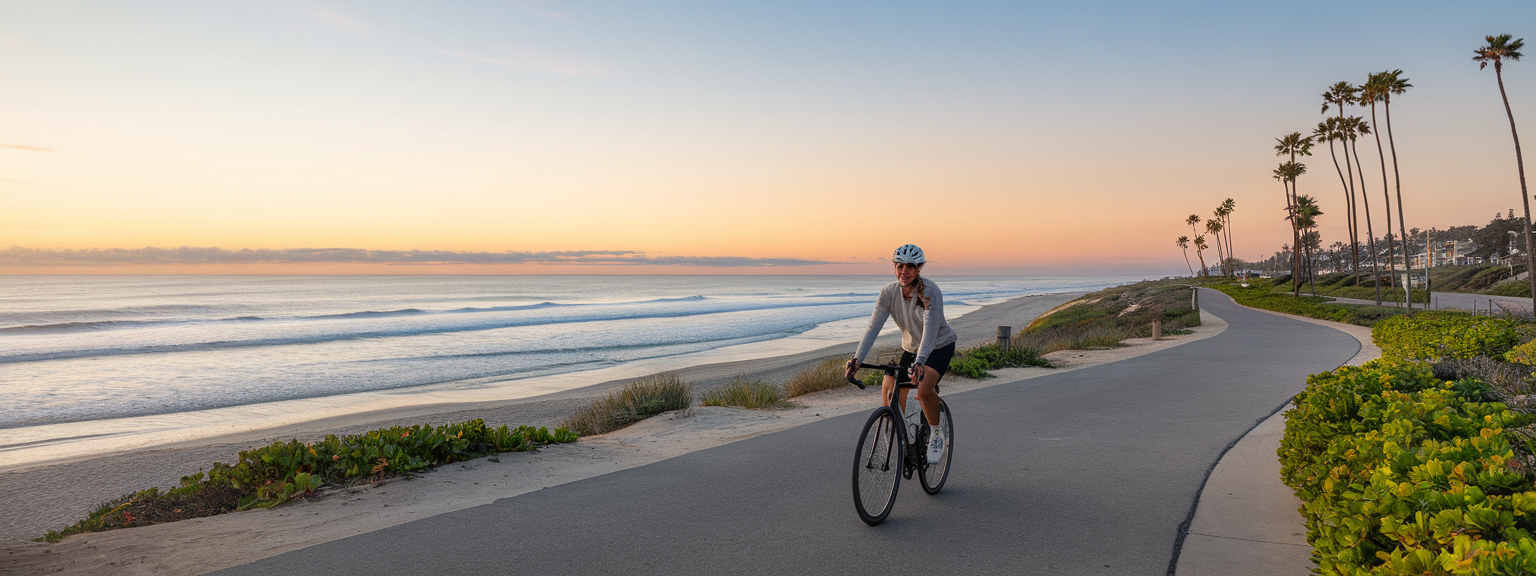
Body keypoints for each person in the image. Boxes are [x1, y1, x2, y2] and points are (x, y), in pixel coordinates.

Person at [845, 243, 957, 464]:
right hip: (911, 348)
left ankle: (937, 432)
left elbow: (930, 331)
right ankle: (912, 440)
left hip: (939, 346)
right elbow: (873, 327)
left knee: (923, 390)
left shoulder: (930, 291)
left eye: (910, 267)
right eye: (899, 266)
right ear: (894, 267)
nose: (904, 271)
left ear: (918, 268)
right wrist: (857, 360)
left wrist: (920, 362)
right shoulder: (888, 293)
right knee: (895, 393)